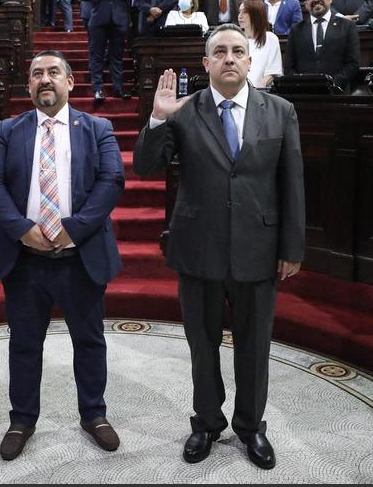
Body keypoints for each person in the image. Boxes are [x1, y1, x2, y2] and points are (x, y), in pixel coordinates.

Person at [132, 23, 305, 470]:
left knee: (254, 345)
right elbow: (148, 167)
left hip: (259, 248)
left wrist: (292, 247)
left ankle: (250, 427)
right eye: (220, 52)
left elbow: (292, 184)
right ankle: (207, 422)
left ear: (251, 60)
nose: (230, 58)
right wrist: (158, 117)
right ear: (206, 63)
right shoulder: (184, 111)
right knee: (202, 344)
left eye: (238, 51)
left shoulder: (280, 110)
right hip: (199, 247)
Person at [0, 49, 125, 461]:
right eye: (37, 74)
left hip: (80, 256)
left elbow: (112, 180)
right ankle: (22, 419)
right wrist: (23, 229)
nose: (45, 79)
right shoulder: (9, 129)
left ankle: (94, 414)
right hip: (24, 258)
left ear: (70, 82)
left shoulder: (97, 127)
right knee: (24, 343)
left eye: (53, 73)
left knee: (90, 340)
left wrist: (72, 229)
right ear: (28, 85)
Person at [77, 0, 141, 101]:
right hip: (98, 19)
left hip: (119, 20)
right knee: (96, 55)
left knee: (116, 56)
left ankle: (118, 89)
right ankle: (97, 89)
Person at [284, 0, 361, 90]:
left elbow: (353, 63)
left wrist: (333, 84)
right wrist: (301, 85)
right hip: (305, 94)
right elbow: (288, 66)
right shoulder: (296, 30)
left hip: (338, 94)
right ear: (306, 4)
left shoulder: (347, 26)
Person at [238, 0, 283, 87]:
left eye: (245, 12)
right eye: (239, 12)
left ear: (256, 14)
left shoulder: (271, 38)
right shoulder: (237, 38)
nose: (240, 16)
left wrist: (256, 91)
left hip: (260, 92)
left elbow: (272, 72)